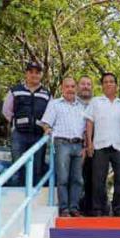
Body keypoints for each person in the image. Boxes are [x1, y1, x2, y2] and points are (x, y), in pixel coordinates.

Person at [85, 72, 120, 216]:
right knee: (98, 180)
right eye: (105, 82)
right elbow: (89, 122)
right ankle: (99, 210)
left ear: (116, 85)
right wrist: (89, 143)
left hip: (119, 146)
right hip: (100, 145)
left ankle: (118, 211)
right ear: (102, 85)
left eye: (111, 81)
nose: (108, 84)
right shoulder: (96, 102)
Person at [39, 76, 87, 216]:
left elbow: (85, 128)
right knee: (63, 178)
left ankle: (74, 208)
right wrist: (47, 130)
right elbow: (46, 123)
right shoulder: (55, 104)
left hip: (78, 145)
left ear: (76, 88)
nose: (70, 89)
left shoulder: (82, 106)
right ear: (62, 88)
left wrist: (85, 145)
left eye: (73, 86)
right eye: (67, 86)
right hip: (62, 144)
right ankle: (64, 208)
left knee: (78, 179)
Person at [1, 61, 51, 187]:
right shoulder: (15, 90)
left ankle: (34, 199)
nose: (34, 75)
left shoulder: (46, 94)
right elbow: (6, 110)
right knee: (17, 167)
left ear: (41, 75)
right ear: (26, 73)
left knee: (37, 169)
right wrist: (15, 123)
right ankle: (15, 199)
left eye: (37, 72)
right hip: (19, 135)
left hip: (39, 136)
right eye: (31, 72)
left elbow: (51, 114)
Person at [77, 75, 95, 215]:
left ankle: (90, 210)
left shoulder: (98, 103)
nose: (85, 87)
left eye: (88, 84)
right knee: (75, 177)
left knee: (92, 179)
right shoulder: (71, 103)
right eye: (83, 84)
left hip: (94, 145)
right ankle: (74, 208)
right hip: (75, 145)